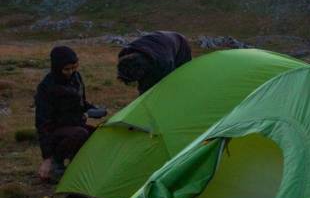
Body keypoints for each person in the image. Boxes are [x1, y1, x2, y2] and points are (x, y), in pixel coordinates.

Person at [35, 46, 105, 182]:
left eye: (74, 68)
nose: (71, 72)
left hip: (75, 124)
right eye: (66, 69)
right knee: (80, 134)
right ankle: (57, 161)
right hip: (56, 131)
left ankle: (77, 164)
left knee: (99, 133)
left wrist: (94, 109)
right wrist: (46, 158)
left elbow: (81, 102)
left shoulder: (76, 78)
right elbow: (42, 124)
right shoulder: (46, 87)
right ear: (56, 67)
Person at [117, 31, 192, 95]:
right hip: (158, 40)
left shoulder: (164, 64)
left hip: (180, 44)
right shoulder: (125, 52)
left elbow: (165, 83)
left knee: (179, 78)